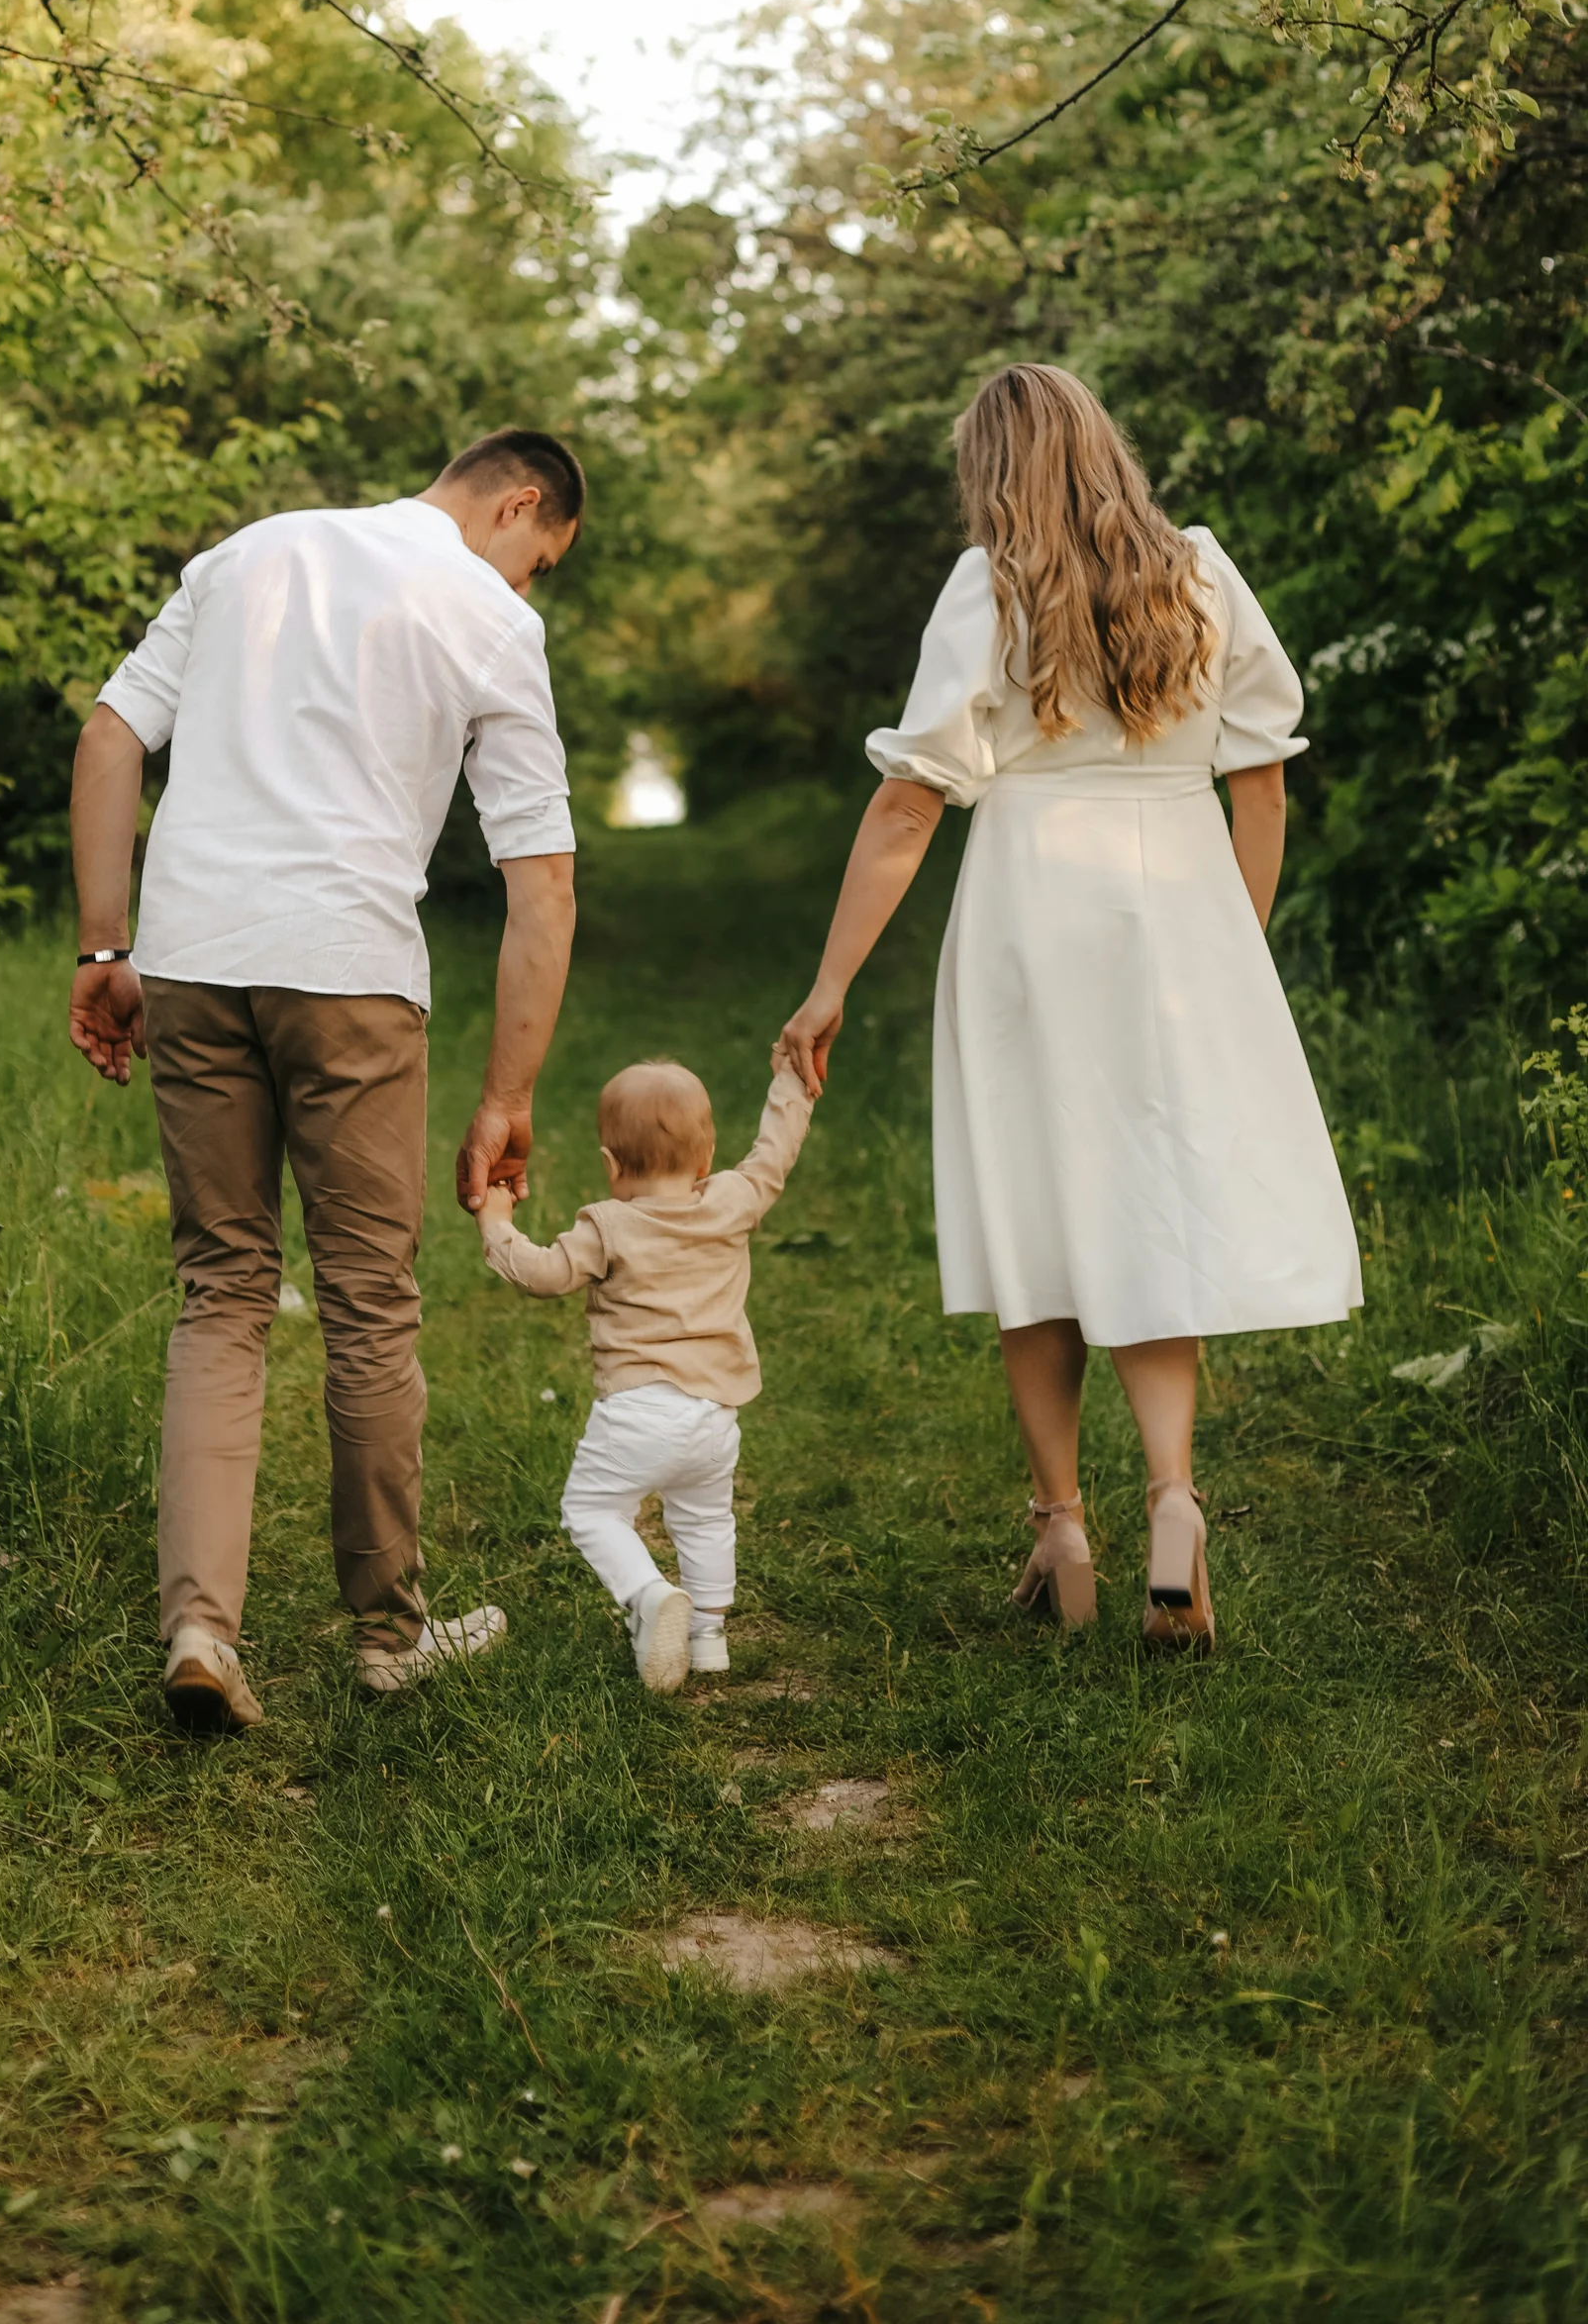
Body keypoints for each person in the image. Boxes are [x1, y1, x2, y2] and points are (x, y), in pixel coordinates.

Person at [777, 364, 1360, 1653]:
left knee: (1032, 1206)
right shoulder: (1200, 570)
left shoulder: (990, 585)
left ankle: (1061, 1525)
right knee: (1153, 1197)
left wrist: (829, 987)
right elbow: (1259, 786)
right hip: (1177, 905)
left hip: (1030, 910)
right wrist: (1230, 949)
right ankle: (1173, 1502)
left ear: (990, 468)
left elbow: (909, 803)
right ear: (1108, 448)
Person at [65, 431, 583, 1726]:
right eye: (542, 560)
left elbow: (114, 731)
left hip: (190, 957)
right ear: (519, 502)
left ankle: (199, 1624)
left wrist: (103, 944)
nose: (530, 587)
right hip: (349, 966)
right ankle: (389, 1633)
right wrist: (508, 1097)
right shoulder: (487, 619)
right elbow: (542, 878)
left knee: (223, 1288)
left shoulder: (248, 556)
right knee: (367, 1299)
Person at [475, 1051, 814, 1689]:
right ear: (707, 1159)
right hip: (715, 1417)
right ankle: (709, 1637)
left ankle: (648, 1596)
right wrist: (792, 1082)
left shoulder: (608, 1224)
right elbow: (775, 1151)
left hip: (636, 1411)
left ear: (609, 1165)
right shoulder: (733, 1200)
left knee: (593, 1512)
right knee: (706, 1518)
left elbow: (545, 1275)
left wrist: (497, 1227)